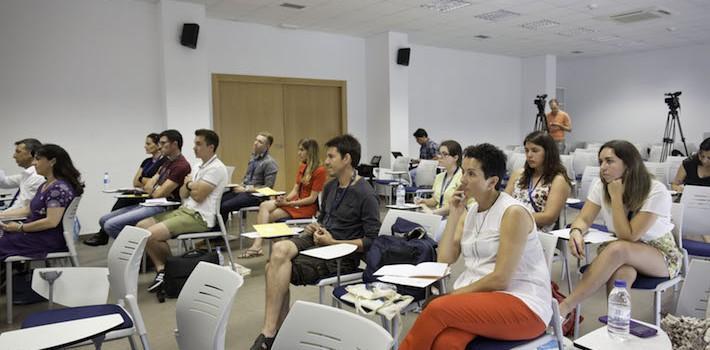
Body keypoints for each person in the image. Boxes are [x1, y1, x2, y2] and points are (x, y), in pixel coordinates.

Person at [400, 143, 551, 350]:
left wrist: (451, 297)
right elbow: (444, 259)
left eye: (471, 174)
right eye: (463, 172)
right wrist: (454, 212)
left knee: (436, 309)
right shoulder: (470, 212)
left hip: (523, 303)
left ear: (492, 182)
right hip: (483, 299)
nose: (462, 180)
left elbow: (500, 280)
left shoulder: (512, 213)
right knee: (447, 342)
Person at [250, 134, 380, 350]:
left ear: (346, 158)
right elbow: (323, 219)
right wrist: (315, 226)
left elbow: (371, 241)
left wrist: (333, 241)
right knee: (280, 248)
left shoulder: (366, 194)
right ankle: (273, 332)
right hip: (317, 239)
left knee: (272, 267)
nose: (326, 161)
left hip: (340, 254)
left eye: (331, 156)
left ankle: (271, 333)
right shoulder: (330, 188)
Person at [559, 140, 683, 318]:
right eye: (600, 161)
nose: (603, 167)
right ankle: (617, 325)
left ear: (629, 164)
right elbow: (584, 218)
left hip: (659, 255)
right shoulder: (601, 186)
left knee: (619, 249)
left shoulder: (656, 190)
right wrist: (576, 231)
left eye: (609, 161)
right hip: (621, 251)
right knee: (621, 274)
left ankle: (565, 308)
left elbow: (629, 236)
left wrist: (616, 197)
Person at [139, 129, 227, 292]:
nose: (194, 147)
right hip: (185, 209)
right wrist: (190, 185)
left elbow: (199, 196)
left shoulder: (217, 168)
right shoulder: (197, 166)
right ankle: (164, 270)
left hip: (200, 217)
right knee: (141, 226)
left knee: (150, 235)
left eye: (198, 144)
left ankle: (167, 271)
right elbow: (183, 193)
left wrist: (190, 184)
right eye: (195, 144)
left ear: (211, 147)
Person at [96, 129, 191, 239]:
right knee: (103, 220)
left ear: (175, 144)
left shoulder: (181, 166)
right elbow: (147, 186)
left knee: (111, 225)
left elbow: (158, 194)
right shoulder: (167, 163)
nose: (160, 146)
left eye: (163, 143)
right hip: (151, 202)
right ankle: (139, 251)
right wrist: (155, 188)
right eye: (159, 143)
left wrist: (154, 187)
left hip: (164, 206)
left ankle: (136, 253)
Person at [240, 138, 326, 259]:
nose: (298, 153)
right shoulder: (302, 166)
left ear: (310, 151)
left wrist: (289, 204)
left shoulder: (320, 171)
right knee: (264, 206)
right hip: (295, 203)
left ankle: (262, 244)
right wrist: (284, 199)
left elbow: (312, 199)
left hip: (306, 208)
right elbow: (295, 190)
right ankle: (264, 244)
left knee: (267, 217)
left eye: (301, 150)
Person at [0, 144, 84, 260]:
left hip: (46, 239)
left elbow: (51, 222)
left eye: (38, 159)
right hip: (37, 235)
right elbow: (28, 209)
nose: (34, 163)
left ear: (52, 161)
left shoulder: (58, 188)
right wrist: (2, 215)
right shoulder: (46, 185)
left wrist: (20, 228)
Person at [84, 133, 166, 246]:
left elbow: (156, 182)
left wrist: (143, 179)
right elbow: (135, 182)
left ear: (158, 145)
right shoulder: (146, 162)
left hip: (151, 196)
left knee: (124, 200)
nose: (145, 146)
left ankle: (103, 235)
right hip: (143, 192)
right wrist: (146, 180)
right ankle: (104, 234)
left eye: (148, 143)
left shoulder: (164, 162)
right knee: (125, 195)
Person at [505, 131, 572, 232]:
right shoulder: (518, 174)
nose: (529, 155)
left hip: (537, 233)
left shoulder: (558, 180)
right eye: (527, 151)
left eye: (535, 151)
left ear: (548, 152)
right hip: (512, 226)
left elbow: (549, 217)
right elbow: (504, 202)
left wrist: (515, 218)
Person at [220, 132, 278, 222]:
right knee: (218, 201)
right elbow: (247, 178)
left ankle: (220, 233)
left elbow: (268, 188)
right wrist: (240, 185)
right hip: (244, 191)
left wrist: (246, 189)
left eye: (260, 142)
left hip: (257, 196)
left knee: (225, 206)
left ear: (267, 146)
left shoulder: (270, 163)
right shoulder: (253, 158)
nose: (255, 143)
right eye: (256, 140)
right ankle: (218, 231)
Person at [415, 140, 463, 217]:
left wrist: (433, 213)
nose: (440, 157)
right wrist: (423, 201)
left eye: (445, 154)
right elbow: (435, 200)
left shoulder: (462, 177)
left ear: (455, 157)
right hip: (438, 216)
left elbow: (456, 205)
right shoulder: (439, 177)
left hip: (452, 218)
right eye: (439, 154)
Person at [0, 139, 44, 215]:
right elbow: (3, 182)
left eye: (18, 152)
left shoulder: (36, 177)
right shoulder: (27, 175)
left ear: (31, 154)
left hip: (21, 220)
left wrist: (2, 214)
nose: (14, 156)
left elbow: (22, 207)